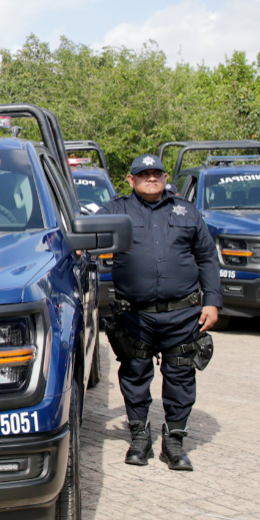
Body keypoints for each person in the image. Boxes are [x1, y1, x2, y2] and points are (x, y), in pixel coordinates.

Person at [97, 153, 220, 471]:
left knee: (180, 377)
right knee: (135, 375)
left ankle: (175, 442)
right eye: (144, 174)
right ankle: (139, 437)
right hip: (135, 316)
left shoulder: (186, 211)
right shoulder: (116, 210)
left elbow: (206, 256)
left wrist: (212, 302)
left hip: (182, 315)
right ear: (131, 180)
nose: (151, 178)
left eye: (156, 173)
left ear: (165, 178)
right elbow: (89, 236)